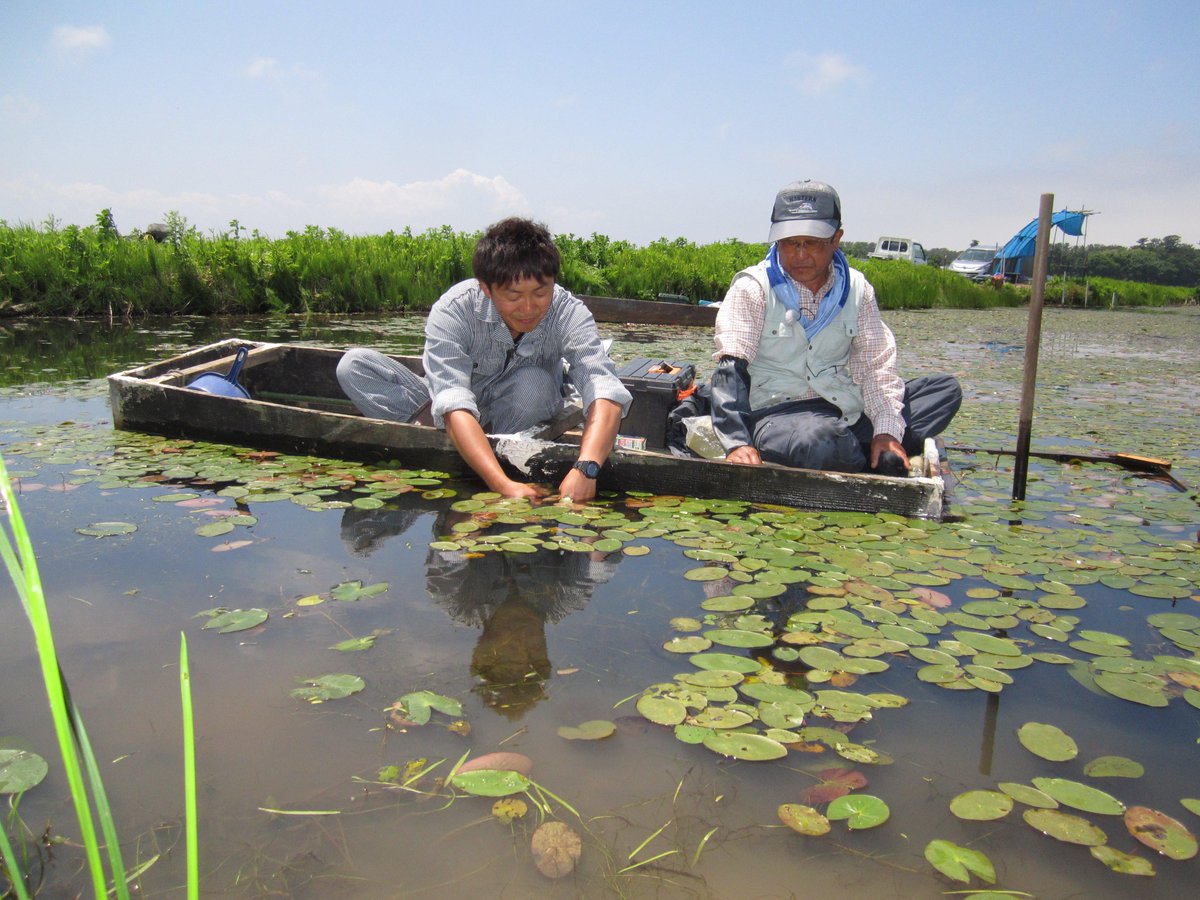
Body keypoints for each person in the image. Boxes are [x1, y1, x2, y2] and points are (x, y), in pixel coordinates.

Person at [337, 217, 632, 501]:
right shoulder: (454, 310)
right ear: (486, 288)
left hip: (518, 410)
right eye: (514, 296)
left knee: (534, 384)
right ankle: (447, 437)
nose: (528, 308)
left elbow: (604, 387)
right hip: (448, 408)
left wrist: (586, 467)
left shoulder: (568, 311)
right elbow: (452, 400)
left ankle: (459, 442)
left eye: (541, 293)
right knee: (355, 365)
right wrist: (502, 484)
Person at [710, 179, 961, 476]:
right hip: (778, 415)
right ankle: (864, 454)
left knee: (943, 391)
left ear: (836, 239)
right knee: (818, 439)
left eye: (812, 243)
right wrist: (737, 443)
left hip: (843, 406)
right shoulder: (753, 288)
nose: (800, 254)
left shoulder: (857, 289)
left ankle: (867, 447)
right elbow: (730, 370)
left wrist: (886, 431)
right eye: (790, 243)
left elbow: (876, 367)